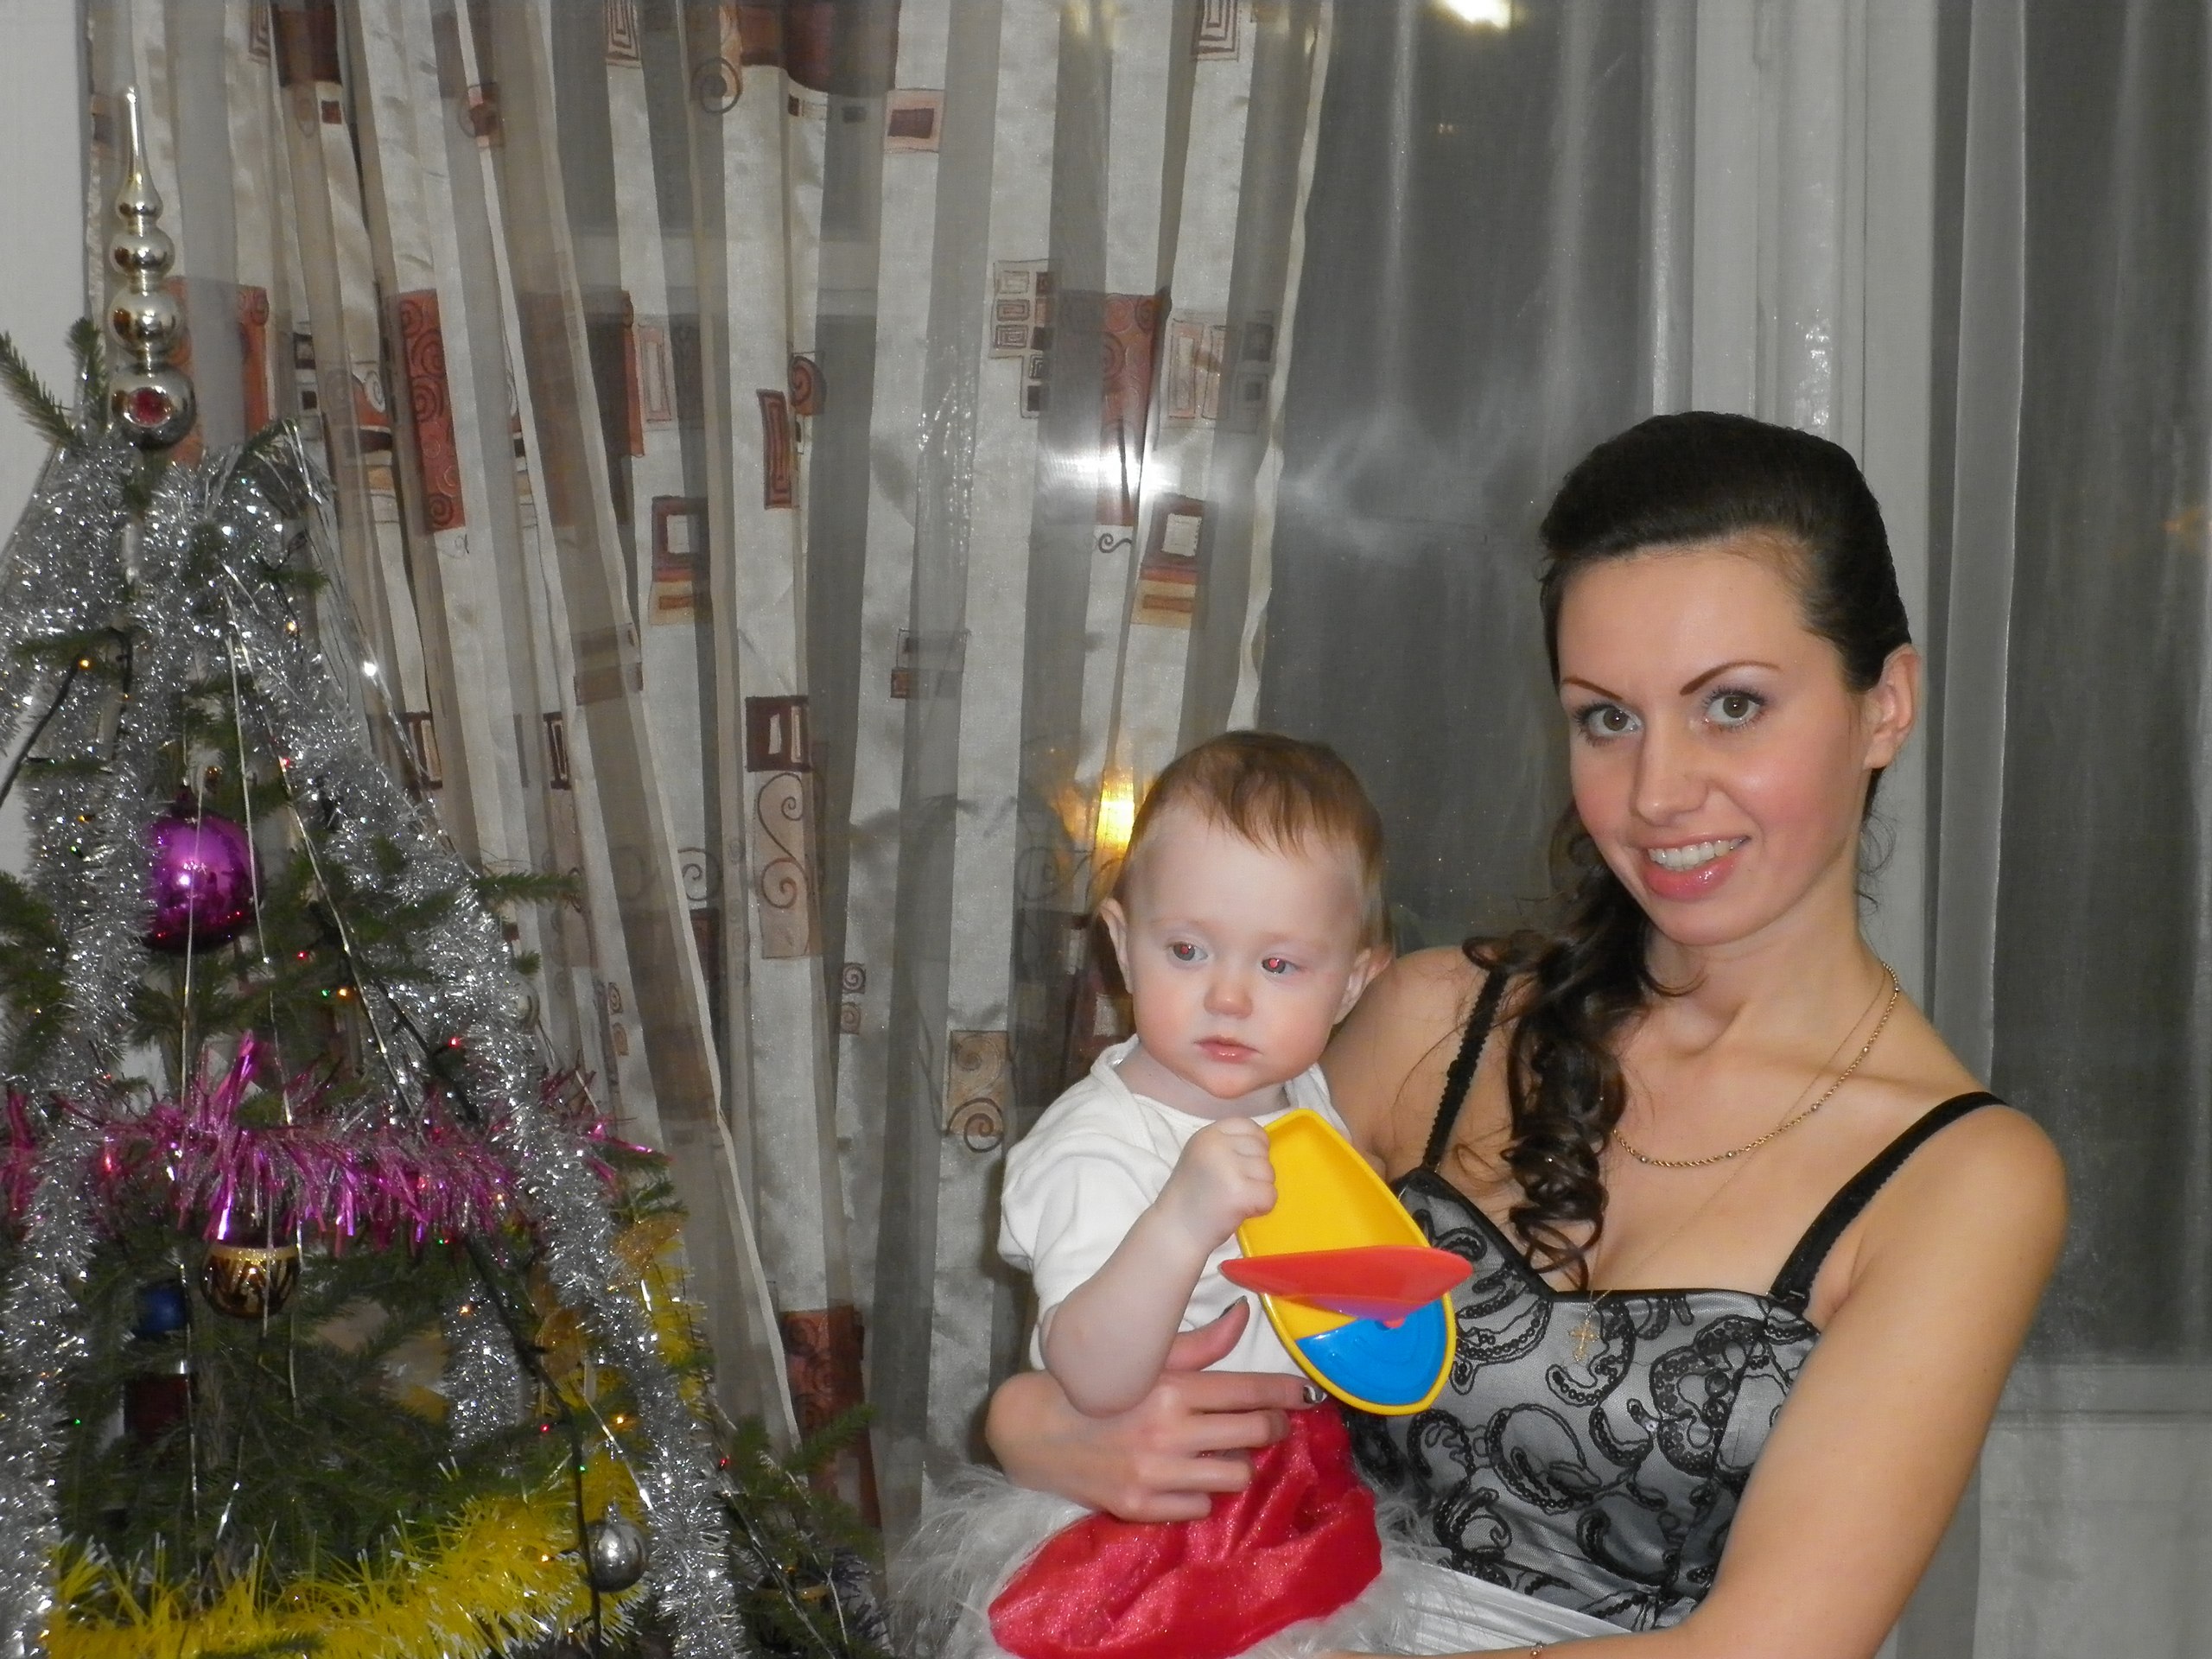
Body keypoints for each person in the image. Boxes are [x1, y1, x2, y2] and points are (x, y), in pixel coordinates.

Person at [982, 412, 2068, 1658]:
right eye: (1607, 718)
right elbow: (1135, 1242)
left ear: (1886, 706)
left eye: (1732, 705)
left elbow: (1769, 1647)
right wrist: (1033, 1423)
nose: (1657, 793)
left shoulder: (1961, 1182)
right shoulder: (1434, 1021)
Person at [905, 732, 1396, 1659]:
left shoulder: (1302, 1099)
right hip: (1135, 1530)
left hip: (1284, 1498)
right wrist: (1183, 1218)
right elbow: (1092, 1377)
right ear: (1124, 948)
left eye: (1279, 965)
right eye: (1187, 949)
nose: (1228, 998)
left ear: (1351, 984)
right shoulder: (1097, 1146)